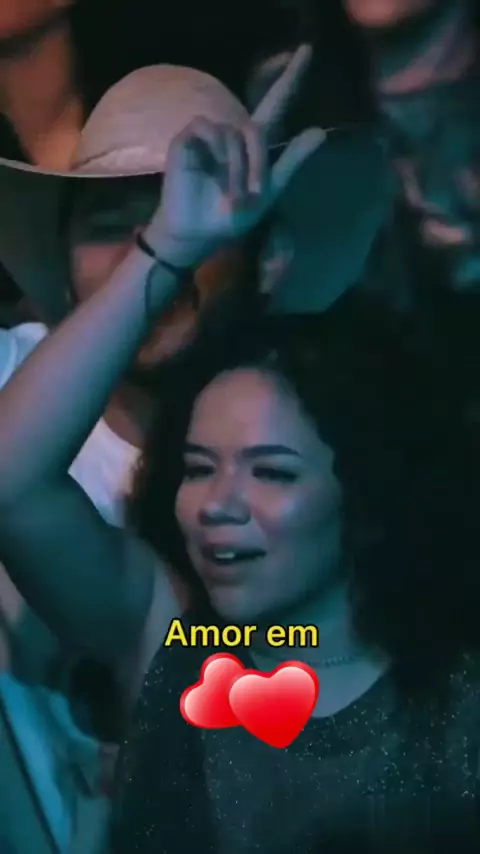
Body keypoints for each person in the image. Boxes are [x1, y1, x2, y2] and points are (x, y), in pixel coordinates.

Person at [0, 72, 478, 854]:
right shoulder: (176, 642)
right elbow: (10, 482)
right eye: (196, 467)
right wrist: (169, 248)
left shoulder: (452, 706)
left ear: (360, 493)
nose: (219, 502)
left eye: (272, 471)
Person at [0, 48, 325, 853]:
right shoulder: (9, 374)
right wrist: (169, 251)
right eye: (110, 225)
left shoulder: (339, 447)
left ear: (267, 254)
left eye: (192, 207)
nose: (147, 242)